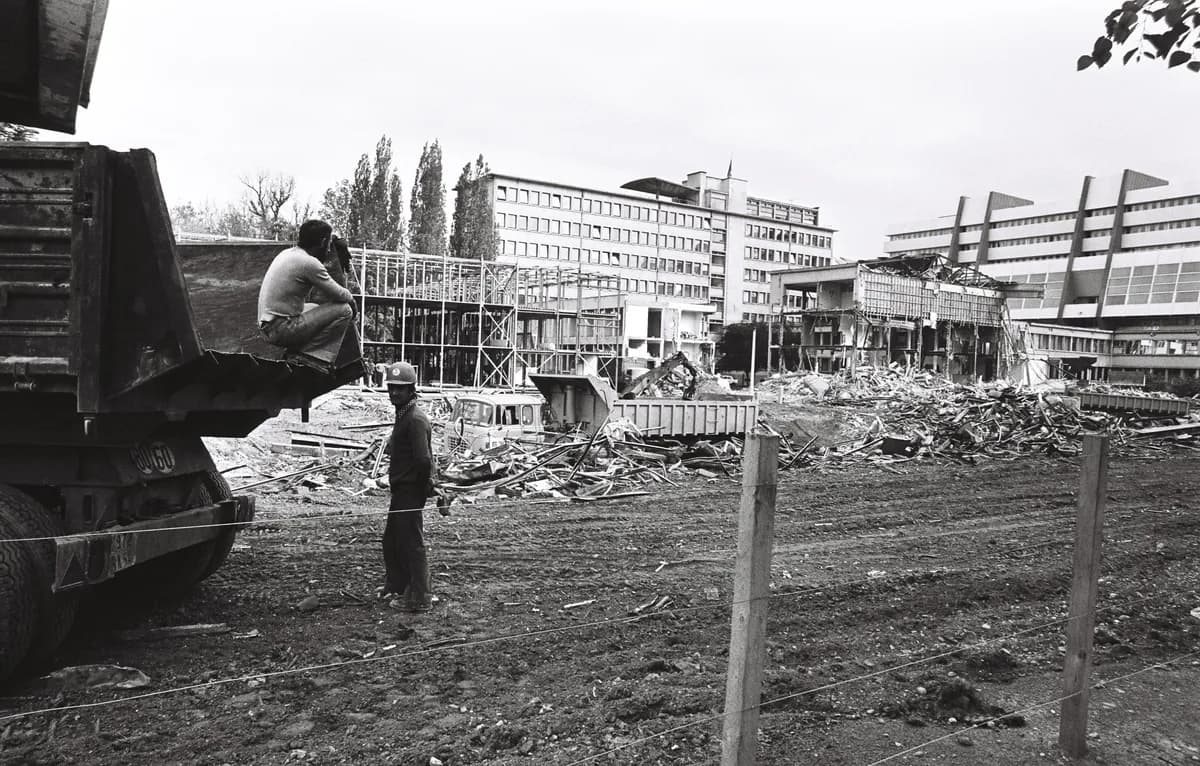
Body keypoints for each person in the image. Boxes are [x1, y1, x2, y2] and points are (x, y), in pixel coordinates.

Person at [257, 220, 355, 373]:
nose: (329, 250)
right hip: (282, 329)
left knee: (315, 308)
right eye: (328, 244)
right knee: (345, 309)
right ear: (323, 242)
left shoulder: (288, 254)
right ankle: (311, 357)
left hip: (268, 326)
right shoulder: (309, 263)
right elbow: (339, 293)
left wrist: (333, 239)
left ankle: (298, 352)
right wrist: (353, 302)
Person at [380, 361, 437, 613]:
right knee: (392, 540)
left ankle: (420, 598)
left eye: (400, 389)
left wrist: (423, 487)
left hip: (410, 491)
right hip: (402, 489)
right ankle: (398, 585)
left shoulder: (414, 419)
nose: (394, 393)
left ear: (412, 390)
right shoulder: (404, 413)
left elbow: (424, 460)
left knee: (412, 544)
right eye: (391, 388)